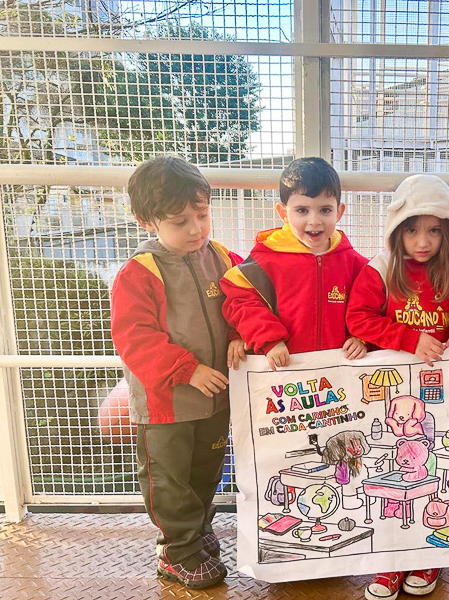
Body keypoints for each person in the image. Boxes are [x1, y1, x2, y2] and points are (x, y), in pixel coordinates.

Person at [110, 156, 246, 589]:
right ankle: (177, 550)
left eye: (202, 215)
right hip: (165, 405)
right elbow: (134, 338)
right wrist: (187, 369)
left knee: (206, 471)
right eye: (179, 221)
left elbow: (247, 303)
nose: (195, 229)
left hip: (216, 398)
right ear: (146, 221)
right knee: (169, 479)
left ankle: (197, 531)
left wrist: (241, 335)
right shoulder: (139, 273)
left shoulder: (222, 257)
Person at [346, 174, 449, 600]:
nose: (423, 241)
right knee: (389, 488)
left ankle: (427, 555)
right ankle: (389, 562)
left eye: (434, 230)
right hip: (391, 392)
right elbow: (358, 318)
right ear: (396, 230)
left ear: (448, 231)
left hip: (437, 396)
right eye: (412, 230)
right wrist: (404, 338)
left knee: (433, 480)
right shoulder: (381, 268)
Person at [220, 157, 368, 369]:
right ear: (283, 213)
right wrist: (269, 340)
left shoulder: (354, 263)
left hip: (338, 373)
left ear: (339, 212)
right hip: (285, 372)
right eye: (302, 210)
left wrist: (361, 337)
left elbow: (371, 304)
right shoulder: (266, 259)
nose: (314, 221)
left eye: (325, 210)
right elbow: (240, 300)